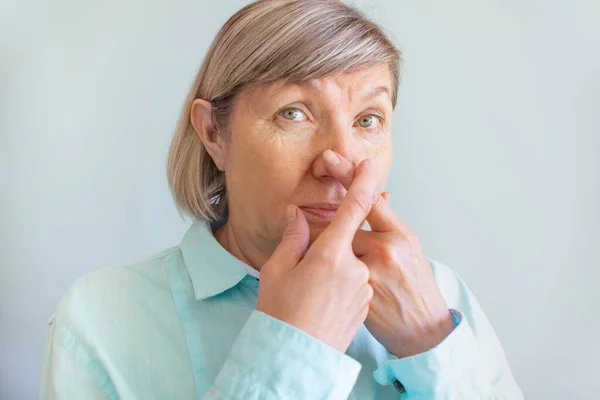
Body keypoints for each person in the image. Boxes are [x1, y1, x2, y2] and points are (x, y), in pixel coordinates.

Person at [39, 0, 524, 398]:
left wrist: (432, 344)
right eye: (294, 114)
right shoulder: (101, 318)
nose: (340, 162)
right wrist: (295, 347)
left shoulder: (442, 297)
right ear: (213, 132)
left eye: (367, 120)